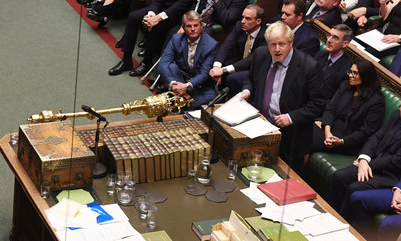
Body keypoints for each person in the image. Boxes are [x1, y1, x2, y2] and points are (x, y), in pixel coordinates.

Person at [239, 21, 324, 169]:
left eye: (281, 44)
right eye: (273, 44)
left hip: (291, 136)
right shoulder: (261, 54)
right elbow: (250, 79)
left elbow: (318, 105)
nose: (277, 49)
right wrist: (247, 90)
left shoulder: (308, 66)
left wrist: (291, 117)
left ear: (291, 43)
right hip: (260, 127)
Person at [328, 102, 401, 215]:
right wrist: (364, 159)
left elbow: (396, 161)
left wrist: (368, 164)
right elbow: (377, 136)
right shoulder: (396, 115)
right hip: (371, 163)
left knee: (354, 188)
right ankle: (329, 214)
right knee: (340, 176)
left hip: (390, 175)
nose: (400, 108)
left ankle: (342, 223)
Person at [158, 11, 218, 108]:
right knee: (171, 67)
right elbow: (163, 64)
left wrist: (186, 87)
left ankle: (180, 104)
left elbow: (204, 73)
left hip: (199, 84)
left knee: (211, 96)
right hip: (180, 79)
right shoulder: (176, 39)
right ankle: (183, 102)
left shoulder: (211, 45)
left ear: (201, 26)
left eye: (196, 25)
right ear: (183, 27)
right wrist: (173, 84)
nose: (193, 29)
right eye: (189, 26)